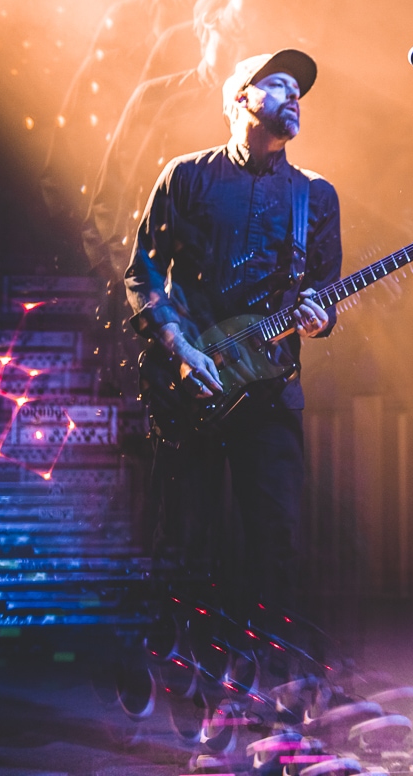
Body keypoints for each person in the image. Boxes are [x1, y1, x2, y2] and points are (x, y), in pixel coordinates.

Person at [124, 49, 342, 636]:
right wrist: (181, 350)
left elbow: (324, 294)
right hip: (186, 383)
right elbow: (142, 276)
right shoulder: (186, 176)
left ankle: (274, 682)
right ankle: (178, 671)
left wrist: (321, 318)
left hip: (269, 394)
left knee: (276, 540)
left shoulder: (315, 196)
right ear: (240, 98)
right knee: (183, 539)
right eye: (276, 84)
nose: (293, 95)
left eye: (298, 89)